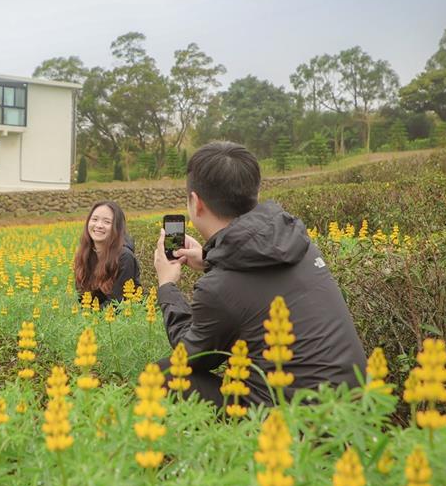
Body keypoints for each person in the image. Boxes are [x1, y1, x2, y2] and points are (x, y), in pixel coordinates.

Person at [152, 141, 366, 407]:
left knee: (160, 377)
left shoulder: (218, 288)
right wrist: (210, 258)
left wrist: (167, 285)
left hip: (292, 423)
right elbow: (254, 282)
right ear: (254, 192)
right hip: (357, 410)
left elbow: (191, 357)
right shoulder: (296, 242)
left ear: (196, 203)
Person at [74, 200, 141, 307]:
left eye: (107, 222)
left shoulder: (124, 257)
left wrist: (92, 316)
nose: (99, 225)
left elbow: (118, 303)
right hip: (93, 317)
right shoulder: (84, 254)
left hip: (121, 318)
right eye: (94, 219)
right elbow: (81, 298)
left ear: (117, 228)